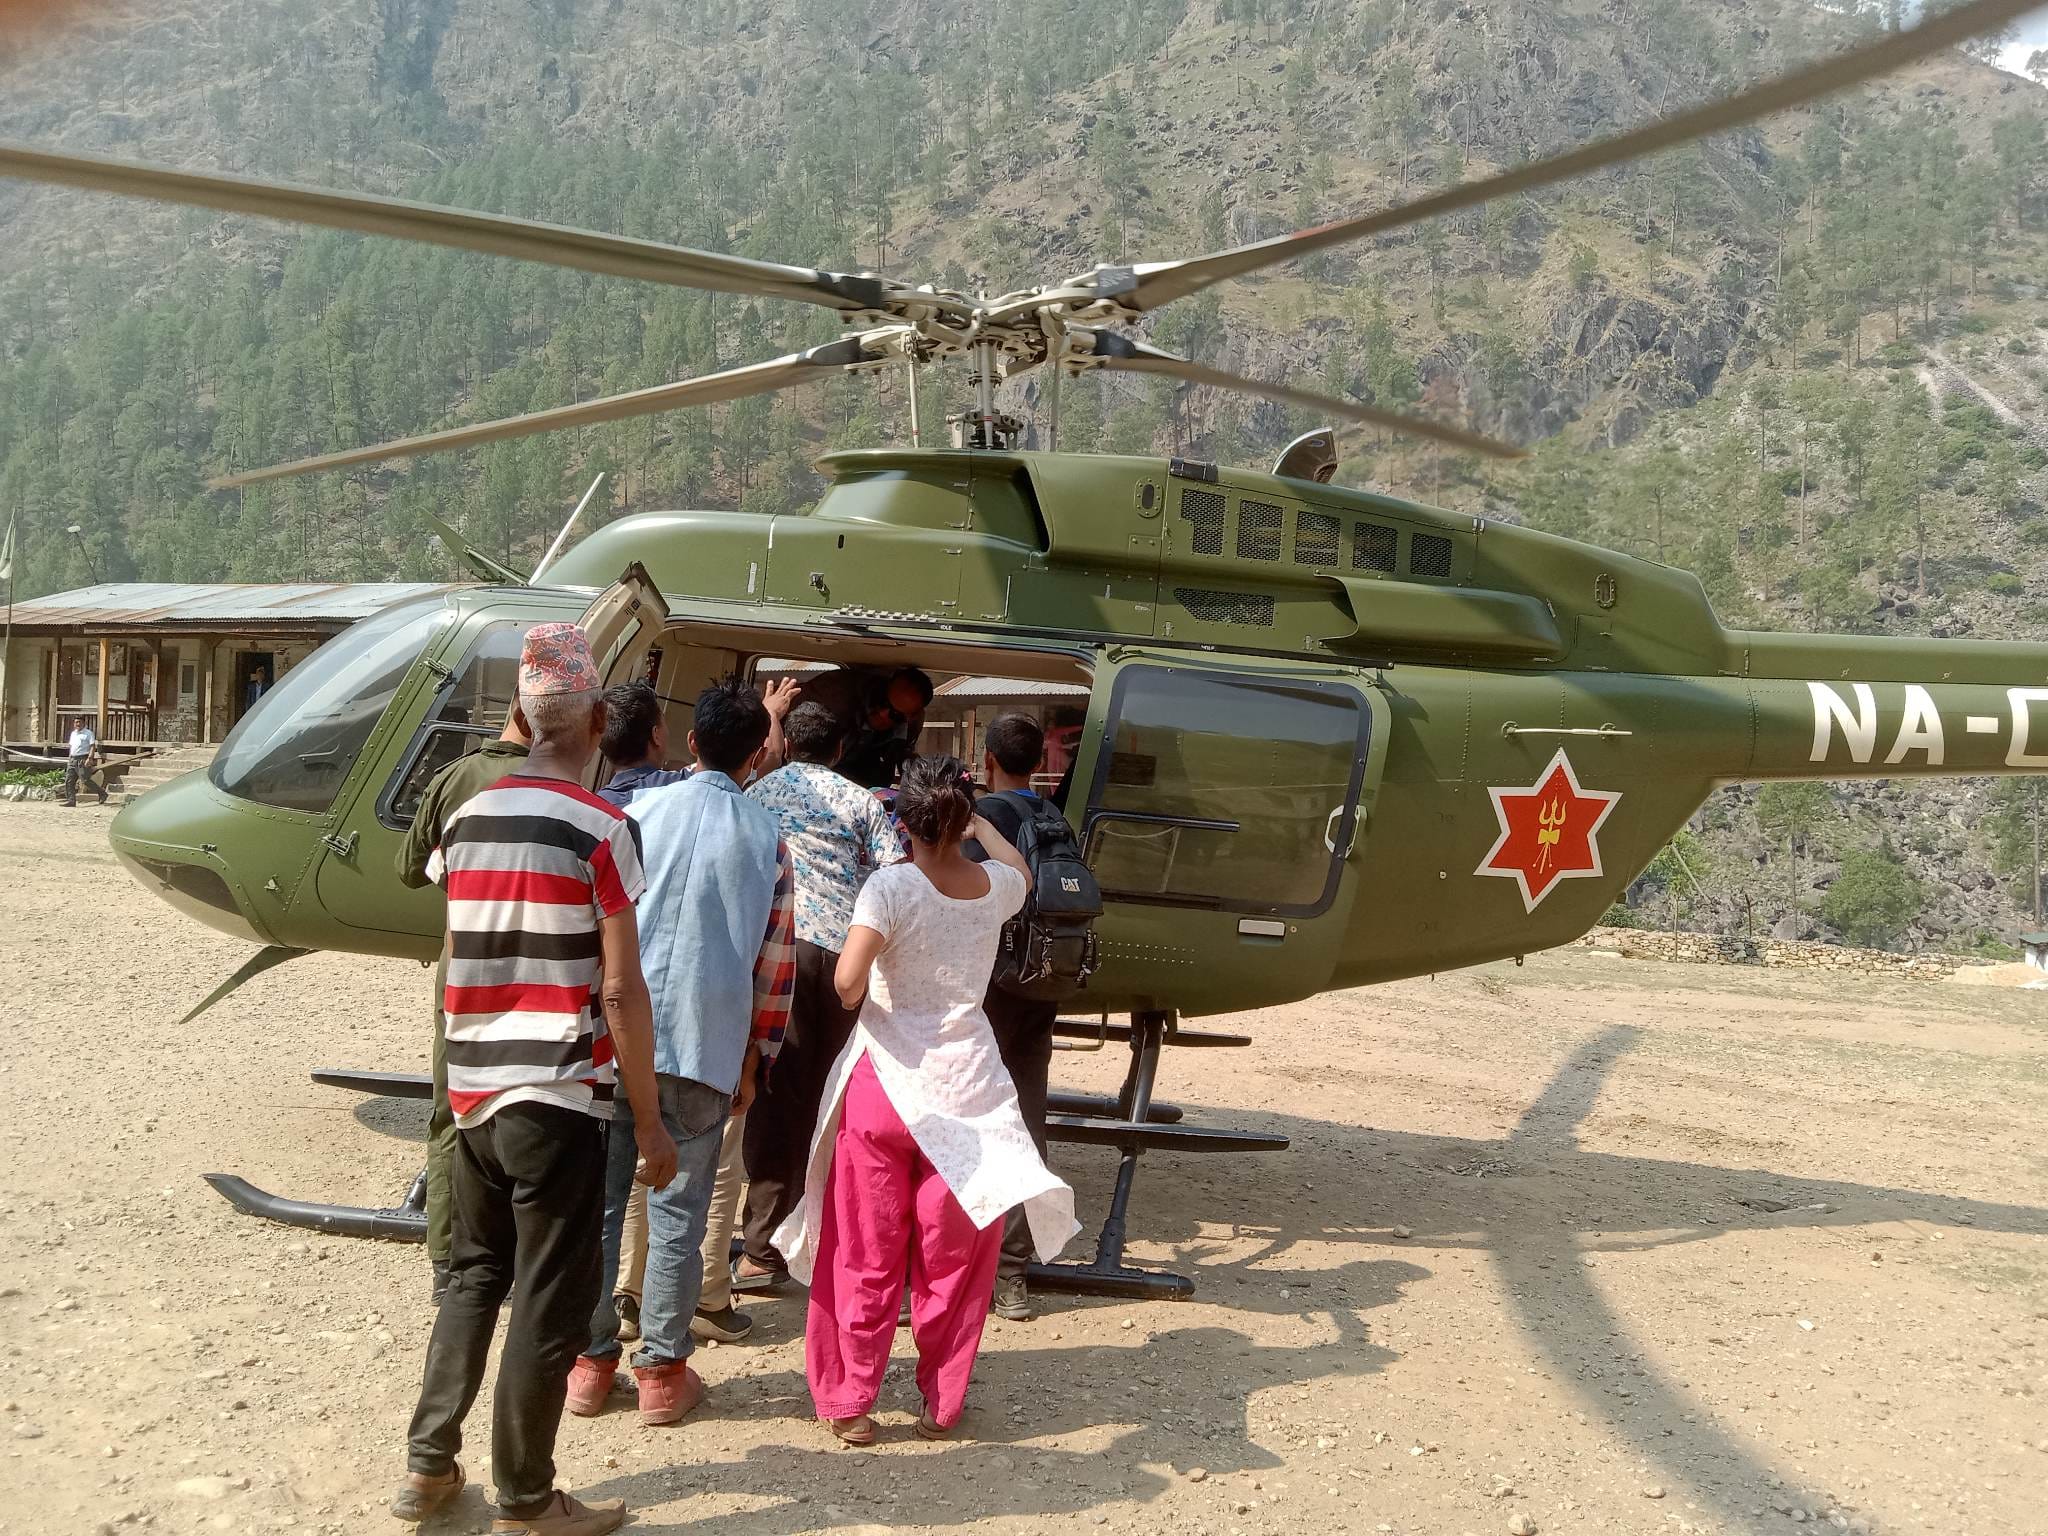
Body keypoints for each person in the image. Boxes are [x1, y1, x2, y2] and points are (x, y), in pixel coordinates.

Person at [391, 622, 677, 1536]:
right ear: (596, 723)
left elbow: (463, 945)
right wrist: (650, 1120)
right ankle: (525, 1500)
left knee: (474, 1278)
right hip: (556, 1096)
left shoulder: (465, 819)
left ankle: (429, 1468)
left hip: (470, 1086)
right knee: (550, 1301)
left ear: (521, 716)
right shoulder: (605, 829)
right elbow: (622, 990)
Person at [773, 755, 1079, 1445]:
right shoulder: (993, 886)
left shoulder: (891, 887)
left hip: (885, 1084)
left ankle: (851, 1401)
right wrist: (983, 830)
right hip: (968, 1090)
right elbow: (1025, 875)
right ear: (960, 815)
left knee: (864, 1249)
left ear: (904, 823)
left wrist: (869, 985)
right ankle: (941, 1402)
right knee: (954, 1259)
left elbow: (847, 983)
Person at [567, 678, 795, 1428]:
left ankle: (590, 1363)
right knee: (681, 1210)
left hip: (613, 1042)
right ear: (757, 754)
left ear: (690, 742)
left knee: (603, 1206)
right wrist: (755, 1058)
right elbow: (774, 965)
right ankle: (662, 1372)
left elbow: (589, 926)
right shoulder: (769, 839)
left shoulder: (630, 815)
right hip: (707, 1045)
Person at [733, 701, 906, 1298]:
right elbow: (893, 874)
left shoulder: (756, 794)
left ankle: (762, 1249)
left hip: (774, 955)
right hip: (842, 960)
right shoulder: (861, 802)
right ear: (839, 749)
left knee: (774, 1094)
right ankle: (832, 1240)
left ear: (788, 745)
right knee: (834, 1096)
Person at [396, 705, 533, 1304]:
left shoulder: (454, 777)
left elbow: (408, 870)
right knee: (529, 1109)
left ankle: (449, 1258)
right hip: (536, 968)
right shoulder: (564, 780)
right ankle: (517, 1253)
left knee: (452, 1112)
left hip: (463, 966)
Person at [967, 713, 1067, 1322]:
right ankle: (1012, 1274)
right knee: (1027, 1120)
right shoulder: (1056, 817)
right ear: (1036, 764)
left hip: (993, 987)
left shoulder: (986, 819)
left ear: (988, 760)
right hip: (1043, 984)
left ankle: (956, 1268)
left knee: (970, 1117)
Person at [836, 667, 933, 789]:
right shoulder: (841, 706)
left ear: (910, 717)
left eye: (895, 714)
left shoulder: (904, 731)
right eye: (883, 701)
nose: (882, 713)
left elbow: (905, 761)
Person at [61, 720, 106, 807]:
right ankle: (71, 801)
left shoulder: (88, 733)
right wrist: (70, 757)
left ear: (83, 723)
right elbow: (72, 746)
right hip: (73, 759)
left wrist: (90, 758)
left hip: (82, 759)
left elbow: (92, 746)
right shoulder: (73, 733)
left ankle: (102, 793)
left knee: (85, 780)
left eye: (79, 722)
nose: (77, 724)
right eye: (76, 722)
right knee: (69, 780)